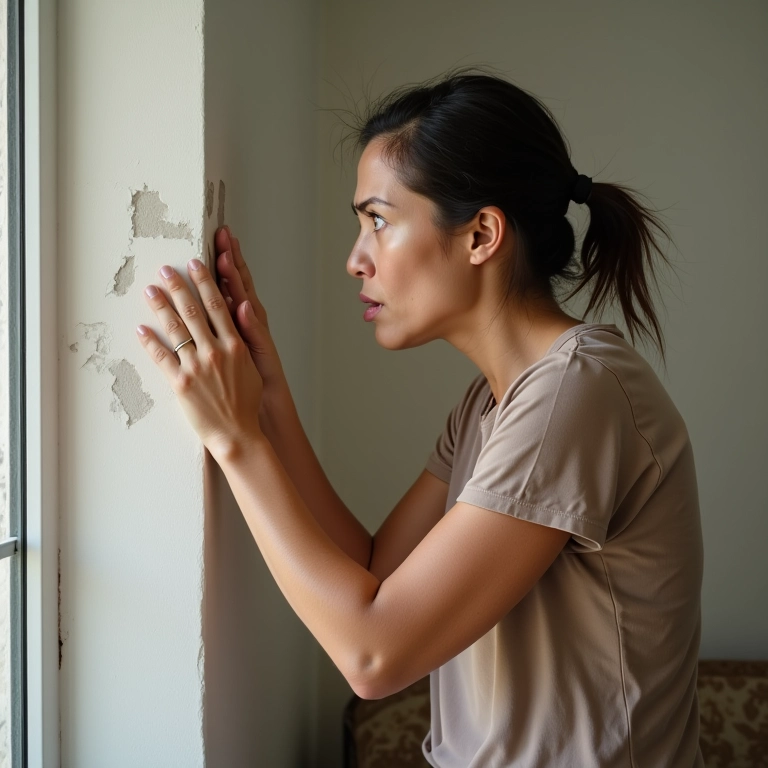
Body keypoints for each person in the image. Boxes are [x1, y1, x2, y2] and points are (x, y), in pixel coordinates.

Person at [135, 65, 704, 767]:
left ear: (481, 235)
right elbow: (376, 570)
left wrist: (237, 440)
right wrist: (268, 395)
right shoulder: (492, 402)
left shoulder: (574, 392)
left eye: (378, 221)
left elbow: (374, 655)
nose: (355, 260)